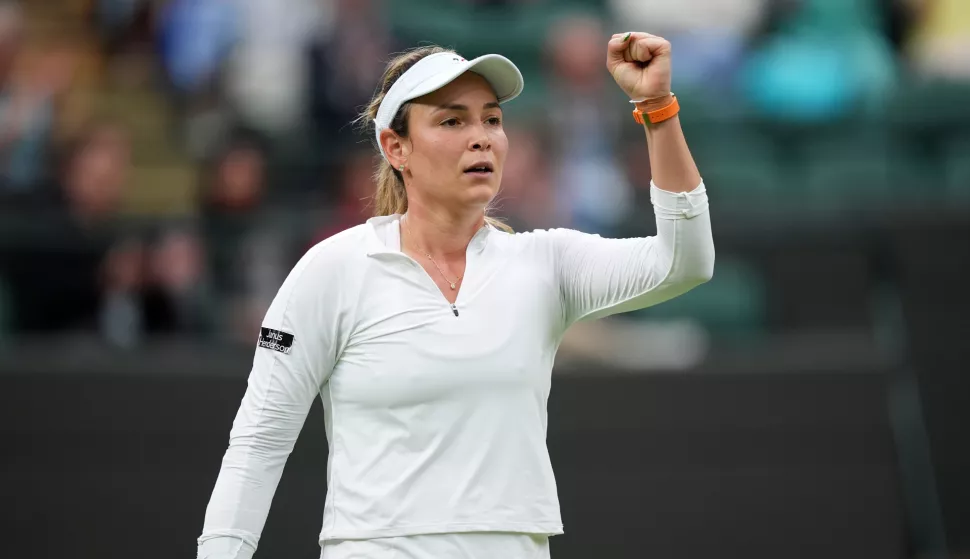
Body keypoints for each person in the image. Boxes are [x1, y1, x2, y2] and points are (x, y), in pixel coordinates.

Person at [198, 32, 715, 559]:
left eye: (491, 119)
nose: (482, 137)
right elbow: (258, 444)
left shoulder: (544, 263)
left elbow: (685, 260)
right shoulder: (331, 269)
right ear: (395, 147)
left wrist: (656, 107)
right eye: (452, 121)